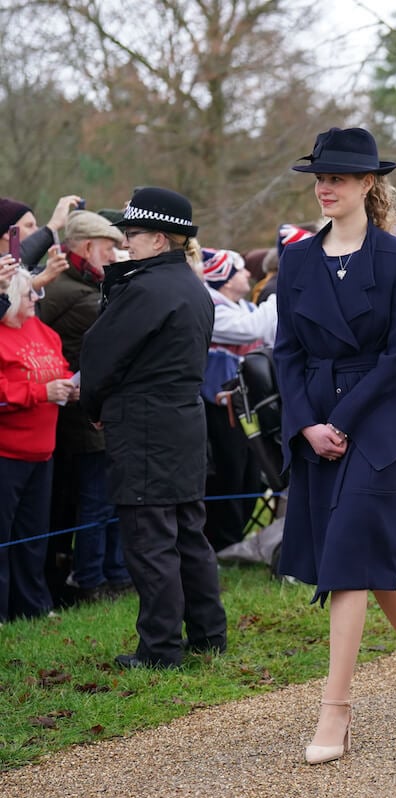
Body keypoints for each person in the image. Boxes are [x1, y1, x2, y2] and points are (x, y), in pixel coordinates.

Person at [274, 126, 396, 766]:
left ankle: (336, 710)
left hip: (377, 419)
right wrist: (305, 424)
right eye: (320, 177)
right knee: (372, 556)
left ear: (367, 184)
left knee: (351, 552)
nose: (326, 187)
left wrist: (342, 419)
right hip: (316, 417)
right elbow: (286, 353)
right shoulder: (295, 260)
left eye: (340, 178)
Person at [80, 186, 228, 668]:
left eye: (135, 234)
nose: (128, 243)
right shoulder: (193, 288)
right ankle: (208, 635)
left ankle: (161, 649)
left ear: (161, 239)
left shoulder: (144, 288)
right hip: (183, 421)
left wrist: (94, 403)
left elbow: (100, 357)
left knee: (151, 541)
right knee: (189, 535)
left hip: (144, 426)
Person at [40, 211, 131, 602]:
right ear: (88, 246)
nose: (114, 256)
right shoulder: (69, 292)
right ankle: (91, 579)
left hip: (94, 408)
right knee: (96, 502)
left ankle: (111, 572)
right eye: (109, 247)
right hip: (80, 414)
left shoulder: (89, 287)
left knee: (108, 501)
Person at [0, 267, 75, 622]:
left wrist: (67, 387)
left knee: (33, 536)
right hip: (6, 453)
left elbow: (59, 367)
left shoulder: (41, 330)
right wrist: (39, 393)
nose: (36, 299)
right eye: (29, 294)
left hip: (42, 451)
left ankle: (32, 607)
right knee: (3, 537)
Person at [200, 247, 278, 551]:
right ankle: (221, 541)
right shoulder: (214, 308)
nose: (248, 273)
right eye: (240, 270)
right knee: (228, 475)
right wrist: (281, 293)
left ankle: (232, 538)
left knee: (250, 475)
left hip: (244, 405)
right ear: (225, 279)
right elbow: (253, 330)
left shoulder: (241, 306)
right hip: (218, 408)